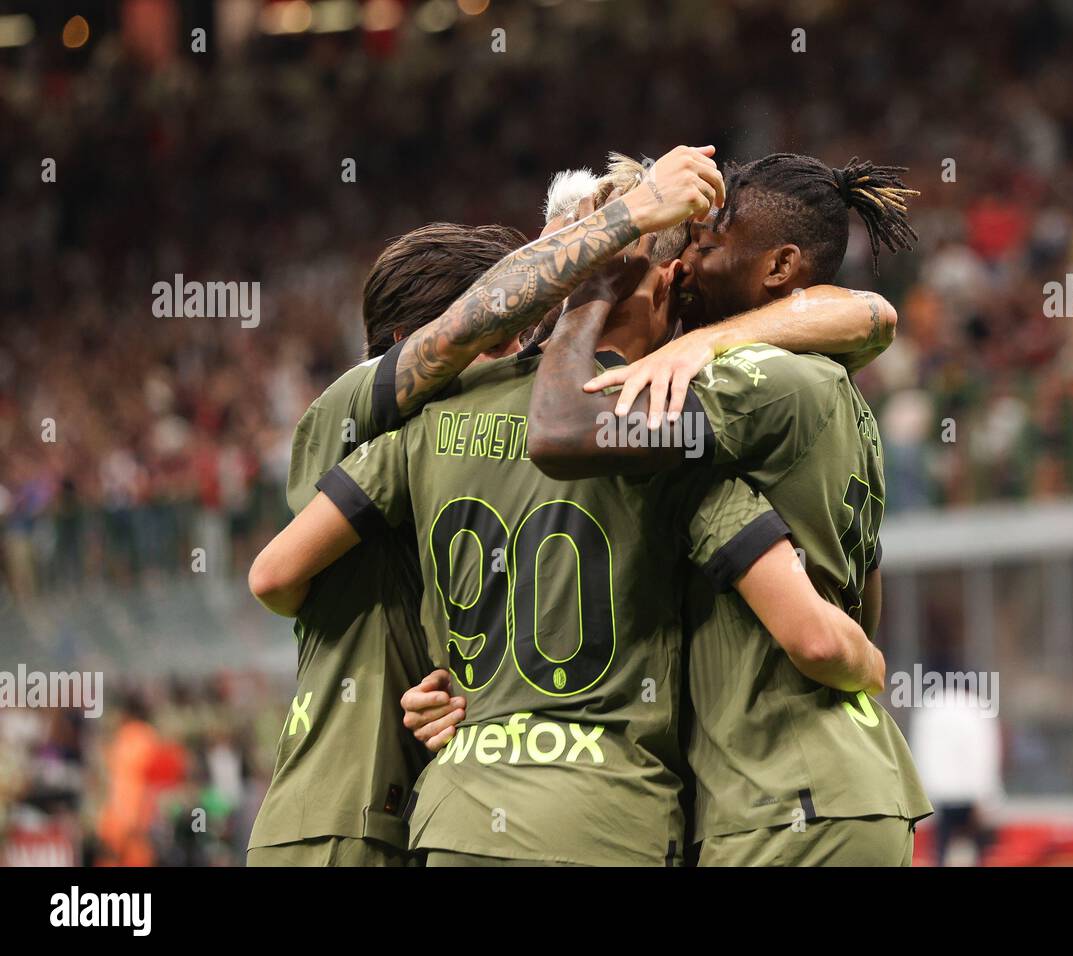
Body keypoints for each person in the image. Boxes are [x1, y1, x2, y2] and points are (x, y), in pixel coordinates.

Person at [249, 152, 899, 865]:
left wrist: (467, 696)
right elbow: (830, 624)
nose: (523, 336)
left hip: (438, 817)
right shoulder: (661, 436)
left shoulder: (435, 432)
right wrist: (865, 659)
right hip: (641, 814)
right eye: (512, 317)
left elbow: (275, 578)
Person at [526, 152, 933, 864]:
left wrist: (589, 296)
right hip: (836, 784)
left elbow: (562, 431)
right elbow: (864, 607)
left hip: (787, 796)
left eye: (706, 247)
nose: (685, 266)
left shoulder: (757, 379)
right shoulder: (829, 382)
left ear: (778, 268)